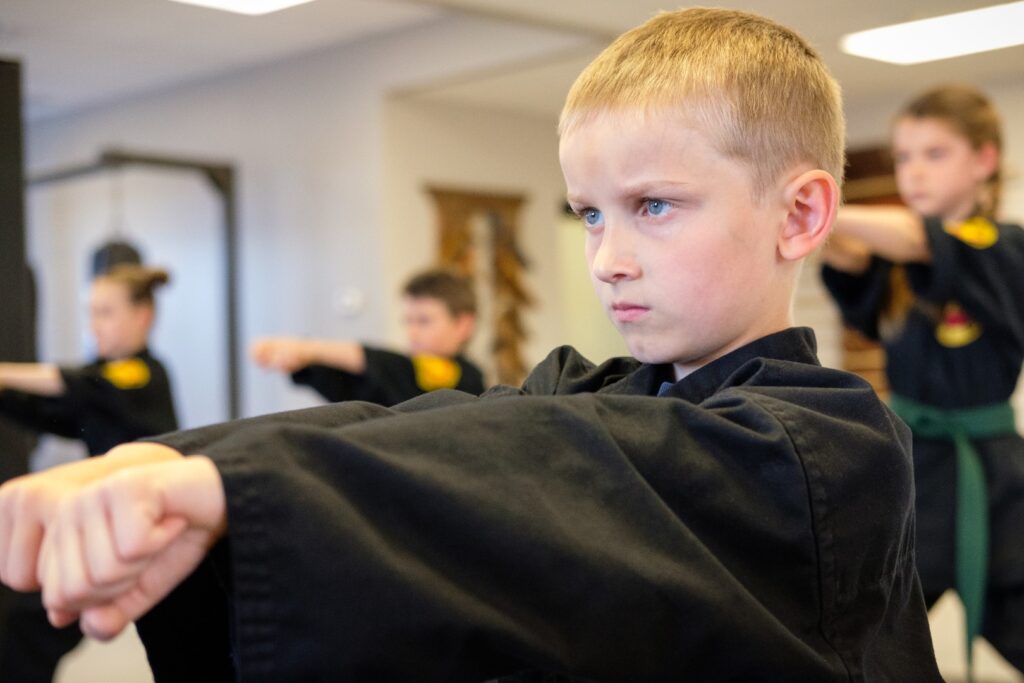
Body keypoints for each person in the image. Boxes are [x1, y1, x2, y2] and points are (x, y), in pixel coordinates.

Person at [0, 9, 941, 681]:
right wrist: (166, 463)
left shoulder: (830, 449)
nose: (608, 257)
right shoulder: (589, 389)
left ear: (802, 212)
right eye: (588, 215)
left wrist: (227, 487)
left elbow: (558, 474)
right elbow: (428, 432)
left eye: (654, 206)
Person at [821, 85, 1024, 673]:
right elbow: (850, 255)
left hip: (988, 480)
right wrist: (787, 208)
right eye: (904, 156)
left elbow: (923, 241)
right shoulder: (900, 263)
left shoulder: (1004, 248)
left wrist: (819, 201)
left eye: (934, 154)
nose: (913, 172)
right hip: (907, 471)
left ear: (984, 160)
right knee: (861, 638)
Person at [0, 263, 179, 681]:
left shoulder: (143, 375)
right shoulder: (105, 385)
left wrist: (4, 372)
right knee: (24, 622)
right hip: (111, 527)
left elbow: (85, 383)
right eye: (91, 312)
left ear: (143, 317)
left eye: (105, 312)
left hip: (141, 533)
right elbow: (53, 410)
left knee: (25, 623)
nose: (94, 325)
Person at [250, 268, 486, 404]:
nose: (412, 332)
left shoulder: (468, 378)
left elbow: (394, 368)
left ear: (463, 324)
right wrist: (306, 364)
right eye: (408, 321)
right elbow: (355, 389)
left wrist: (307, 348)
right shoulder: (402, 377)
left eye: (424, 321)